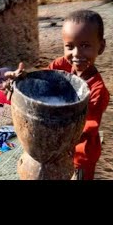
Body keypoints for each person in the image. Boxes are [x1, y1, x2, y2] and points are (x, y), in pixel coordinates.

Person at [7, 9, 109, 180]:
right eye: (70, 46)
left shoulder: (97, 91)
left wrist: (48, 134)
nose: (76, 54)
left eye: (85, 46)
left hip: (79, 155)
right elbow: (41, 86)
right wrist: (20, 84)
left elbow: (84, 129)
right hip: (53, 149)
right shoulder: (60, 66)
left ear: (101, 47)